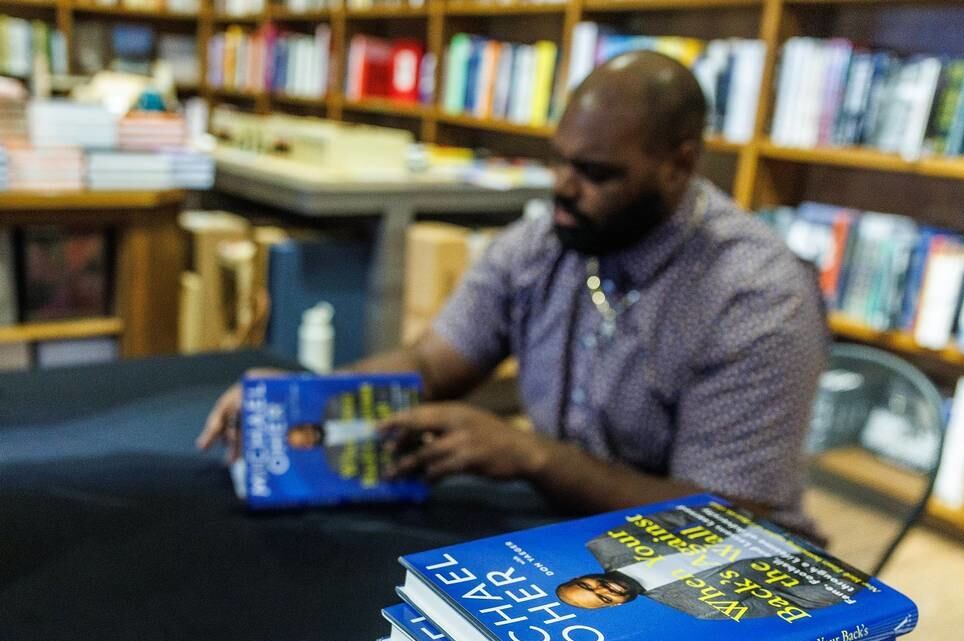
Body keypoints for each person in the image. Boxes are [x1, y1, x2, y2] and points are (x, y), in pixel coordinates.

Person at [198, 51, 828, 535]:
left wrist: (532, 457)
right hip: (573, 531)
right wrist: (299, 401)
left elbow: (721, 517)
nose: (563, 187)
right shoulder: (545, 244)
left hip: (726, 577)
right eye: (558, 161)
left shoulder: (756, 297)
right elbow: (427, 366)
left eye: (595, 173)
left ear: (680, 165)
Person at [553, 501, 858, 621]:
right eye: (604, 599)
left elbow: (682, 511)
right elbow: (797, 600)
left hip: (764, 515)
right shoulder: (701, 609)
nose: (605, 589)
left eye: (587, 585)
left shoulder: (606, 543)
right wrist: (843, 579)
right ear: (616, 606)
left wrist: (732, 512)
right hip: (810, 556)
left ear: (581, 575)